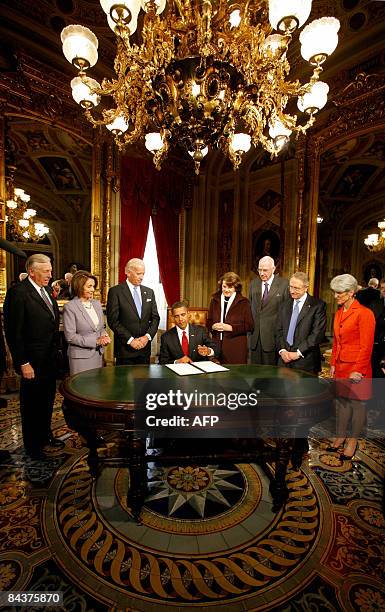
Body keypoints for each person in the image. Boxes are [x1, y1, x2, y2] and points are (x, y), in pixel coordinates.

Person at [3, 254, 64, 459]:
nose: (50, 274)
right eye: (46, 271)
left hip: (49, 360)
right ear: (32, 271)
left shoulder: (46, 291)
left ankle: (46, 435)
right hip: (31, 362)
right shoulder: (18, 293)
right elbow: (14, 333)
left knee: (47, 401)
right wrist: (23, 363)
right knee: (31, 406)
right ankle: (33, 446)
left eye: (50, 270)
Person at [328, 274, 375, 460]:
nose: (335, 296)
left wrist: (359, 370)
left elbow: (366, 346)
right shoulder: (340, 312)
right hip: (340, 365)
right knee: (343, 403)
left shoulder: (365, 314)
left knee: (357, 405)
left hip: (357, 367)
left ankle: (353, 441)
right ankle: (340, 435)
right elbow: (336, 342)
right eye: (334, 292)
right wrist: (332, 363)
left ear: (351, 293)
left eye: (339, 293)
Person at [107, 258, 160, 365]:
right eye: (138, 273)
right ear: (127, 272)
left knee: (144, 381)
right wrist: (131, 340)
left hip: (144, 350)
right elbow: (113, 321)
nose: (141, 277)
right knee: (123, 382)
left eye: (143, 274)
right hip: (125, 350)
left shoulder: (149, 292)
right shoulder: (115, 292)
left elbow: (155, 318)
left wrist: (147, 337)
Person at [276, 272, 327, 374]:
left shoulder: (317, 305)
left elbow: (317, 334)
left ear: (306, 288)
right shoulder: (284, 304)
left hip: (306, 362)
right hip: (284, 361)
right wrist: (282, 350)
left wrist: (298, 353)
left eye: (296, 288)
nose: (292, 291)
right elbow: (278, 330)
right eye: (290, 287)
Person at [63, 271, 111, 375]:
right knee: (80, 388)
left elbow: (101, 328)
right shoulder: (70, 307)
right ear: (79, 286)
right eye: (89, 286)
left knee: (95, 389)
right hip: (80, 358)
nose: (93, 290)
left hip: (98, 355)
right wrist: (96, 341)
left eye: (93, 286)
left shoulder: (96, 304)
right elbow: (70, 337)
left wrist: (104, 336)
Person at [249, 255, 289, 365]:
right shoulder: (253, 284)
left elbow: (286, 313)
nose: (262, 273)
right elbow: (251, 308)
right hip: (255, 338)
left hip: (272, 338)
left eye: (265, 270)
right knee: (255, 375)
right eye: (259, 270)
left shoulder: (284, 284)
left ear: (273, 269)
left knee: (270, 376)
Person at [207, 271, 254, 364]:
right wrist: (212, 326)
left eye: (230, 287)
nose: (226, 290)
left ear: (236, 288)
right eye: (224, 286)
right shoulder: (214, 300)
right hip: (216, 345)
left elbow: (250, 326)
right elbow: (208, 322)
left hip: (236, 348)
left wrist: (231, 328)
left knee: (235, 377)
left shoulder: (244, 302)